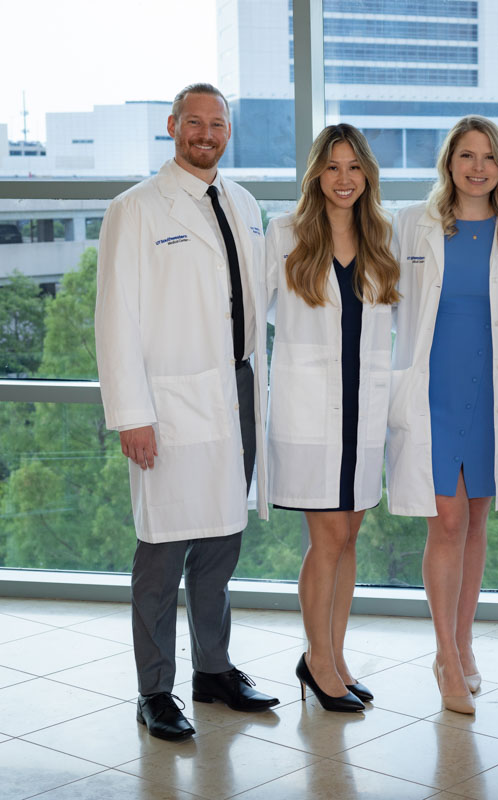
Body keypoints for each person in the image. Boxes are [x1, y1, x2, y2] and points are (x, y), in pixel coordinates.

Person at [95, 83, 278, 742]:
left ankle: (214, 672)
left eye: (217, 123)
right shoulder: (136, 209)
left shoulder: (244, 203)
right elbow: (114, 318)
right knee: (162, 553)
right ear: (173, 126)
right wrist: (131, 413)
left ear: (229, 132)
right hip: (169, 403)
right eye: (194, 122)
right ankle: (155, 689)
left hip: (236, 394)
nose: (206, 133)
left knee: (221, 546)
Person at [388, 116, 498, 714]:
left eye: (488, 158)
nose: (477, 168)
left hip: (491, 392)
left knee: (477, 520)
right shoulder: (413, 223)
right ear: (449, 164)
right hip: (434, 391)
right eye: (466, 156)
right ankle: (445, 657)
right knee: (446, 521)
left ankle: (464, 641)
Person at [264, 124, 399, 713]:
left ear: (367, 174)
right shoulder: (286, 234)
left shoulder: (381, 236)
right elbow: (253, 312)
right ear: (316, 173)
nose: (343, 179)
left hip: (362, 411)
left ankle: (333, 655)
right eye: (332, 167)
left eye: (354, 168)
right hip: (310, 409)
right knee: (328, 539)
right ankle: (317, 661)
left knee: (350, 538)